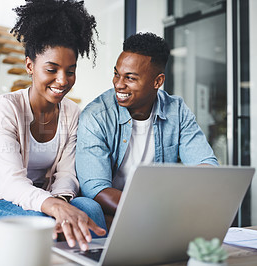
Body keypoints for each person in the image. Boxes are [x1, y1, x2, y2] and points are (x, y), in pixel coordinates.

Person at [0, 0, 106, 251]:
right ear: (30, 66)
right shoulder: (5, 107)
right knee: (38, 222)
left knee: (91, 208)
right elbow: (9, 181)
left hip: (47, 197)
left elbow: (67, 173)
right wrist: (52, 207)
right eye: (52, 69)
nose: (62, 80)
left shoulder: (73, 113)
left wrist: (60, 201)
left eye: (70, 71)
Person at [75, 32, 219, 229]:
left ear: (157, 82)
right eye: (116, 73)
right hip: (115, 208)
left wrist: (189, 196)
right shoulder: (96, 115)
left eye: (130, 78)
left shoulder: (176, 110)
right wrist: (150, 211)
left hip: (160, 208)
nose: (118, 84)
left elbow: (205, 163)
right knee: (87, 206)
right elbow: (96, 188)